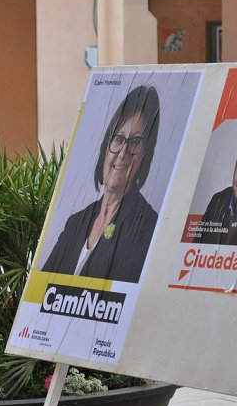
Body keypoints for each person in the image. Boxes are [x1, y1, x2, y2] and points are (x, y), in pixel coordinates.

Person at [41, 85, 160, 283]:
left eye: (135, 142)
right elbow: (41, 290)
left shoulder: (147, 227)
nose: (123, 153)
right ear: (106, 147)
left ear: (145, 155)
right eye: (119, 139)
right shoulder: (76, 222)